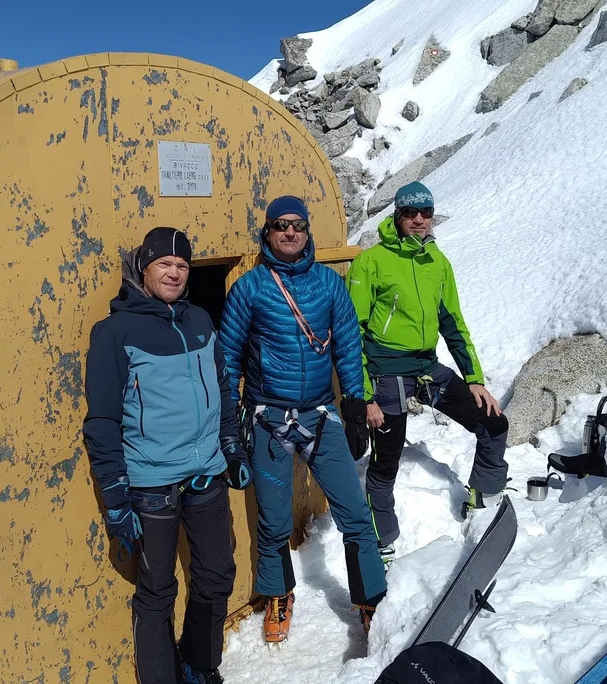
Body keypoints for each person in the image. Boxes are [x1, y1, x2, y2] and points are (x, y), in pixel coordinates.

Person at [83, 227, 251, 684]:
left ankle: (199, 664)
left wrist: (231, 445)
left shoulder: (199, 320)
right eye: (164, 264)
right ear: (144, 268)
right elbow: (101, 421)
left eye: (182, 266)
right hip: (151, 484)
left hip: (207, 476)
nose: (174, 273)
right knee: (158, 590)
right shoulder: (116, 332)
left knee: (217, 574)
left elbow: (222, 389)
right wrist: (116, 499)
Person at [219, 196, 386, 643]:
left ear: (307, 231)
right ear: (267, 233)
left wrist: (353, 405)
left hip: (320, 415)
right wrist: (229, 424)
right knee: (272, 523)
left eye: (298, 225)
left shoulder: (329, 285)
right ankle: (278, 595)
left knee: (354, 512)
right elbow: (229, 359)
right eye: (280, 225)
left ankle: (371, 599)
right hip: (267, 418)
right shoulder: (250, 288)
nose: (290, 232)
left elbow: (349, 347)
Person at [346, 181, 510, 563]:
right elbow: (352, 331)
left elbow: (453, 323)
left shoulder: (438, 262)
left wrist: (474, 379)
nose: (418, 219)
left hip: (426, 367)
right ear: (397, 215)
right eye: (409, 212)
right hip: (386, 371)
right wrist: (365, 393)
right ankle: (381, 541)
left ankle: (483, 497)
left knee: (493, 423)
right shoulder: (371, 262)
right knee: (385, 460)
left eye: (426, 212)